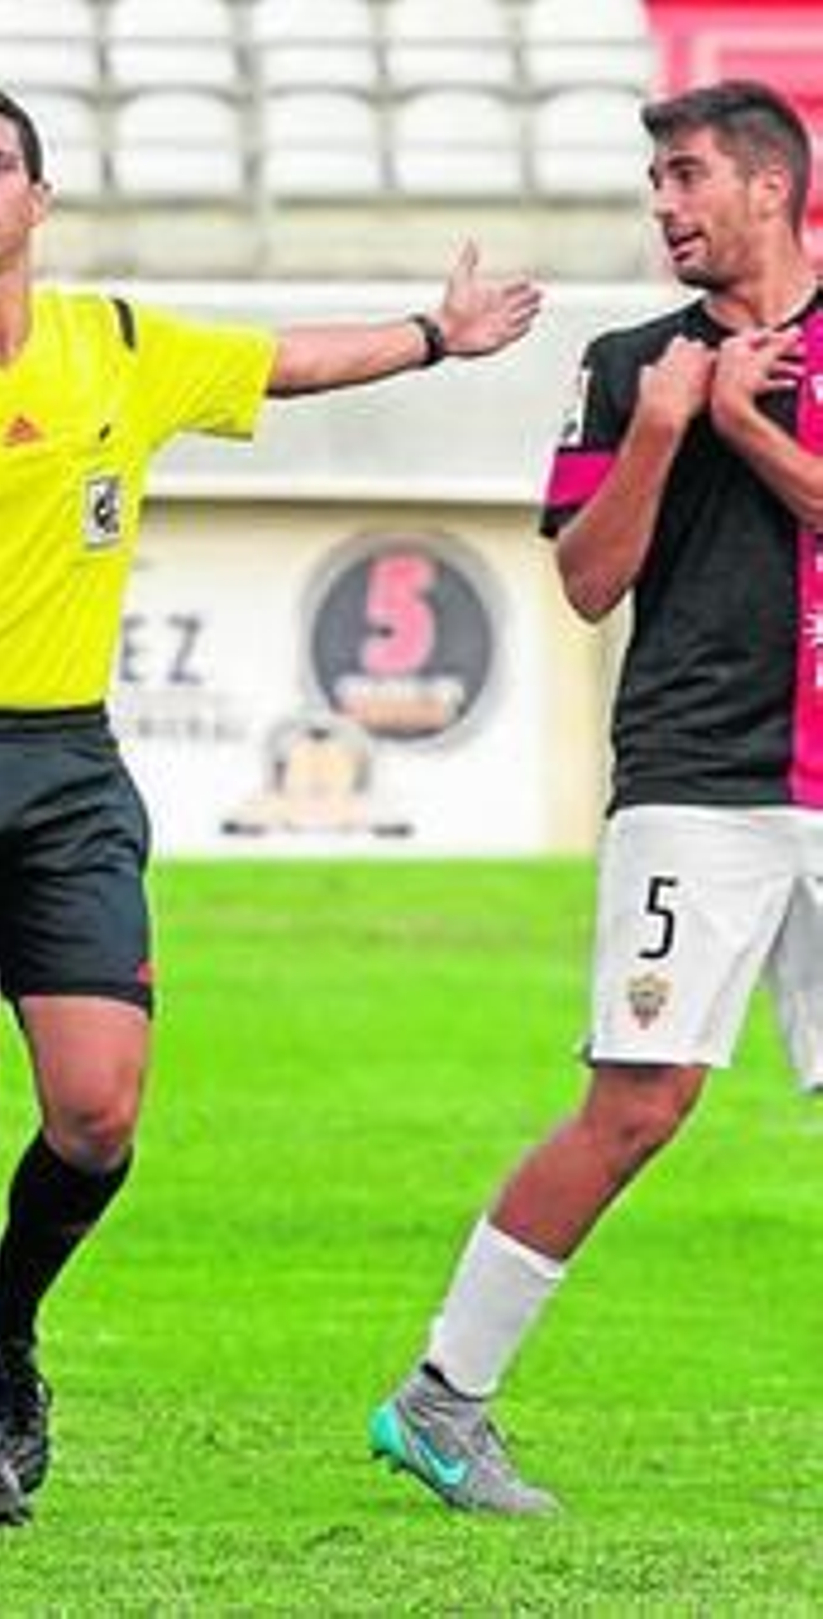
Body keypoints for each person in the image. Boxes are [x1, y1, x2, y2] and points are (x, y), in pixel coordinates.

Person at [0, 76, 541, 1528]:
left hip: (67, 768)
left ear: (39, 200)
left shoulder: (115, 345)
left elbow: (281, 363)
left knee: (97, 1111)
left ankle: (12, 1322)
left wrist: (437, 335)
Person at [370, 79, 823, 1516]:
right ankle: (441, 1400)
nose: (667, 209)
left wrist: (747, 432)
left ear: (770, 186)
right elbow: (582, 580)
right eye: (656, 187)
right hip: (698, 785)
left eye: (687, 178)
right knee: (640, 1100)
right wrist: (664, 431)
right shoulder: (628, 362)